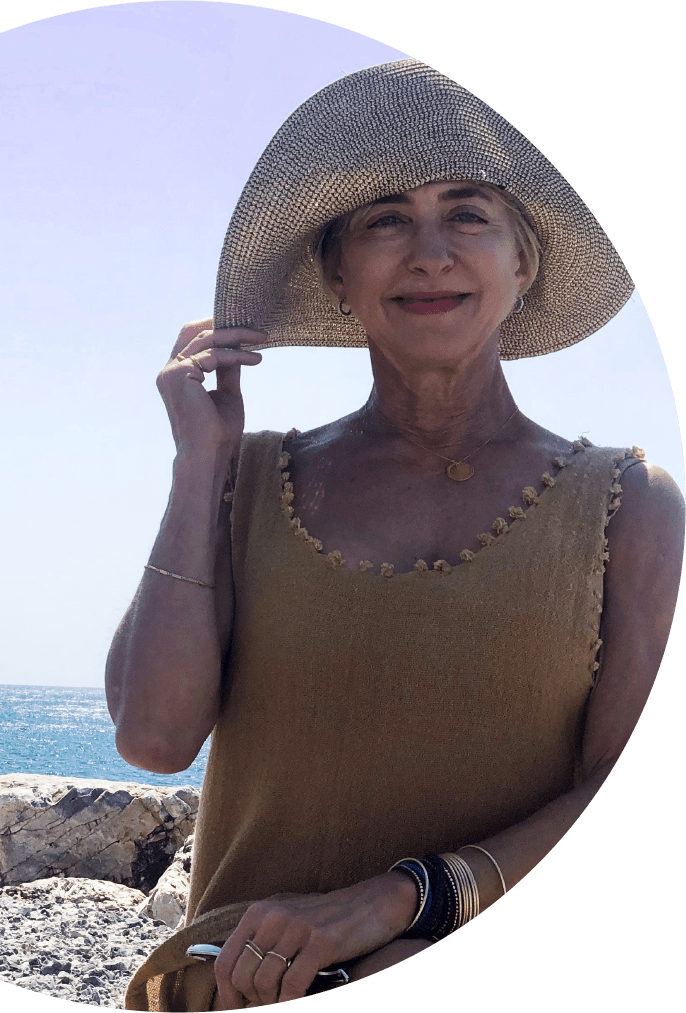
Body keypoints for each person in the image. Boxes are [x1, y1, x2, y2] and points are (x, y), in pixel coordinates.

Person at [105, 60, 684, 1011]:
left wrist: (400, 902)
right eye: (385, 220)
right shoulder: (248, 480)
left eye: (467, 215)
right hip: (240, 982)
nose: (429, 254)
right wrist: (198, 467)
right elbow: (154, 737)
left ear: (523, 263)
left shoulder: (628, 504)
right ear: (337, 274)